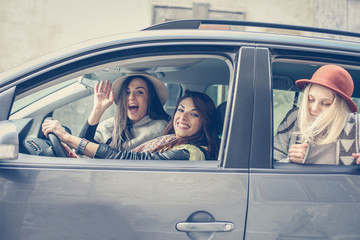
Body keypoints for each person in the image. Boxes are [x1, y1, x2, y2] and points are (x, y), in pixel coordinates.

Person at [42, 90, 220, 160]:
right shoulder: (171, 140)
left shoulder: (190, 152)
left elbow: (129, 159)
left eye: (194, 113)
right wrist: (97, 110)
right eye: (181, 110)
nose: (183, 117)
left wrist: (66, 137)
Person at [274, 64, 360, 165]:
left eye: (325, 103)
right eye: (310, 99)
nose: (314, 109)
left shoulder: (357, 126)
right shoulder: (294, 118)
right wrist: (289, 160)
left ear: (341, 109)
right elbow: (266, 166)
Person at [79, 72, 170, 151]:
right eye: (127, 92)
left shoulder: (160, 128)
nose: (131, 97)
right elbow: (80, 149)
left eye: (139, 92)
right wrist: (97, 110)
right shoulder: (109, 125)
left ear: (150, 99)